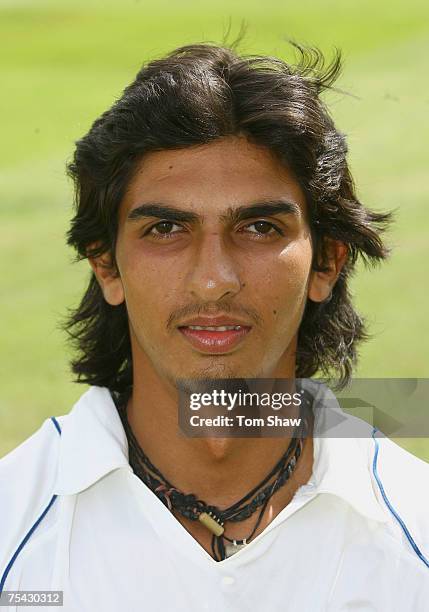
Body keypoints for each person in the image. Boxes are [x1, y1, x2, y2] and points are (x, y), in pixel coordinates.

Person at [1, 39, 428, 611]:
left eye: (258, 228)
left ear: (326, 262)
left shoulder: (415, 531)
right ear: (107, 265)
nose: (213, 280)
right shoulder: (13, 527)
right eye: (166, 230)